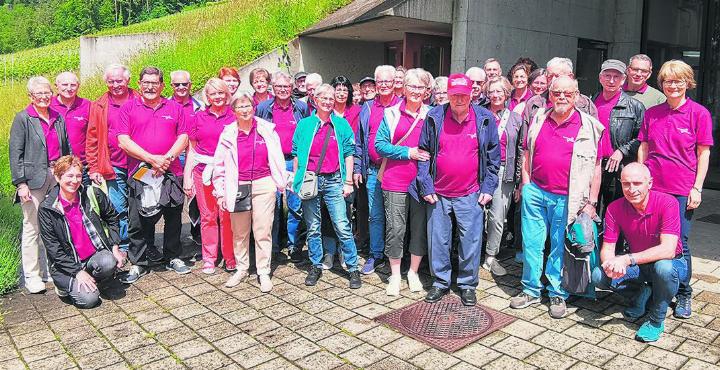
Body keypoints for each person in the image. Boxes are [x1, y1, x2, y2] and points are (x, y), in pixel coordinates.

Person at [510, 76, 604, 318]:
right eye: (557, 93)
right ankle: (530, 289)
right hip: (536, 192)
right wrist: (526, 184)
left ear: (577, 96)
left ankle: (557, 292)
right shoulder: (539, 118)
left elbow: (596, 166)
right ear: (549, 95)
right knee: (531, 244)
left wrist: (591, 202)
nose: (562, 97)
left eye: (567, 93)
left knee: (559, 248)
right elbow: (527, 152)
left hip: (567, 198)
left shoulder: (590, 126)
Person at [638, 60, 713, 319]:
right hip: (654, 189)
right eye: (668, 81)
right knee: (651, 238)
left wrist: (697, 188)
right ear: (662, 84)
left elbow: (703, 154)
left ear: (687, 83)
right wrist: (640, 178)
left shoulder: (699, 114)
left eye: (678, 80)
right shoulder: (653, 113)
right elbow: (644, 147)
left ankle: (683, 292)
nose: (673, 85)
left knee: (680, 242)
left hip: (682, 190)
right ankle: (652, 287)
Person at [417, 73, 500, 306]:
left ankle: (467, 284)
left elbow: (494, 158)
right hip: (439, 193)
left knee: (470, 242)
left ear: (472, 94)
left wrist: (488, 187)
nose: (460, 99)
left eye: (464, 94)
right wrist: (426, 184)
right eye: (455, 95)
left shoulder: (484, 119)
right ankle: (441, 282)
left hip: (471, 192)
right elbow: (423, 154)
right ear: (448, 95)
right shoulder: (434, 117)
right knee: (438, 241)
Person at [592, 163, 687, 342]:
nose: (631, 189)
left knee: (664, 269)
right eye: (626, 184)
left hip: (672, 262)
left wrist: (627, 259)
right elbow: (608, 249)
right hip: (639, 265)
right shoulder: (614, 208)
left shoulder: (668, 203)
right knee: (599, 275)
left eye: (637, 183)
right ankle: (641, 293)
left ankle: (656, 320)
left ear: (649, 183)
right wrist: (610, 265)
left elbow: (668, 249)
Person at [117, 66, 190, 284]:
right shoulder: (128, 108)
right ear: (138, 84)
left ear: (161, 85)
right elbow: (123, 141)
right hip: (140, 172)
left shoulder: (175, 108)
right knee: (138, 220)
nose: (150, 87)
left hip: (170, 171)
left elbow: (184, 136)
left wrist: (165, 159)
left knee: (173, 215)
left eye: (154, 83)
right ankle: (139, 262)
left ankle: (173, 256)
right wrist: (151, 159)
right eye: (145, 83)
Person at [213, 91, 287, 292]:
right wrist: (220, 192)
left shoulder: (266, 129)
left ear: (253, 108)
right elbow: (219, 165)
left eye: (247, 106)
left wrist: (280, 183)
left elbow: (278, 158)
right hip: (238, 186)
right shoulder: (228, 133)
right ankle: (242, 268)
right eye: (240, 107)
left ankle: (263, 271)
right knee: (239, 232)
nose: (244, 110)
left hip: (264, 184)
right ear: (233, 110)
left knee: (263, 230)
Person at [292, 84, 361, 289]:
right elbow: (296, 153)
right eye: (324, 98)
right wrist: (298, 179)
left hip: (333, 180)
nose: (328, 101)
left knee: (342, 225)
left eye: (331, 98)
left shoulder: (341, 125)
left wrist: (348, 181)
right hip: (311, 180)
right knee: (313, 227)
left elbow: (349, 153)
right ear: (315, 99)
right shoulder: (305, 125)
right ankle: (316, 265)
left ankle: (353, 267)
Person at [9, 76, 72, 293]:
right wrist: (21, 184)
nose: (44, 97)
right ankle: (32, 276)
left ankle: (52, 270)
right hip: (33, 180)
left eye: (47, 92)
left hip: (57, 176)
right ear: (31, 96)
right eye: (39, 94)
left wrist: (68, 174)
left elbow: (66, 148)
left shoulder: (58, 117)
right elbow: (15, 154)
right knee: (32, 227)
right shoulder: (23, 118)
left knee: (55, 225)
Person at [39, 156, 126, 308]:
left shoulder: (92, 194)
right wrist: (77, 271)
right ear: (58, 177)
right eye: (69, 176)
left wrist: (115, 247)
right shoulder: (47, 208)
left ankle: (92, 279)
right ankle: (68, 286)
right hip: (67, 265)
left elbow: (112, 218)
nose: (75, 181)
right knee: (89, 301)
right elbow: (54, 249)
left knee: (109, 262)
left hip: (94, 256)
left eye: (78, 175)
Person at [375, 68, 431, 296]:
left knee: (419, 228)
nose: (416, 91)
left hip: (421, 182)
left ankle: (414, 273)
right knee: (396, 229)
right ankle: (396, 274)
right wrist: (409, 152)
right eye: (412, 87)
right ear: (404, 89)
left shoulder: (432, 114)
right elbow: (379, 146)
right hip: (395, 180)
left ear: (427, 91)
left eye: (420, 87)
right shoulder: (391, 114)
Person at [182, 78, 237, 275]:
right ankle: (209, 258)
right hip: (203, 172)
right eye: (213, 93)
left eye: (221, 93)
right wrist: (187, 177)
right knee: (208, 217)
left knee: (227, 216)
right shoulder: (198, 118)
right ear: (207, 96)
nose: (218, 97)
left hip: (228, 173)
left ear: (227, 94)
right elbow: (191, 150)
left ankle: (230, 256)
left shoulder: (235, 116)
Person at [86, 64, 140, 255]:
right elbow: (92, 137)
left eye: (119, 80)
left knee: (142, 205)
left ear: (128, 80)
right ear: (106, 83)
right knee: (118, 207)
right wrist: (93, 167)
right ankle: (124, 245)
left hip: (139, 164)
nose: (115, 84)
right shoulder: (99, 105)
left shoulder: (140, 99)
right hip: (113, 165)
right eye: (111, 81)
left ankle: (142, 244)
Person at [255, 71, 309, 263]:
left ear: (292, 87)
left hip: (294, 160)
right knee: (273, 205)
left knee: (296, 205)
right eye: (279, 87)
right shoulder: (263, 108)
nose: (283, 90)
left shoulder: (301, 108)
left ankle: (295, 246)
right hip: (272, 162)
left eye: (286, 86)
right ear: (273, 88)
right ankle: (274, 247)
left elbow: (307, 134)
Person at [355, 65, 400, 275]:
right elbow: (359, 141)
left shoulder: (401, 105)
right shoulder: (367, 107)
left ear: (394, 83)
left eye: (387, 81)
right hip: (373, 170)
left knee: (396, 216)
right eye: (379, 81)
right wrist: (357, 167)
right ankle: (376, 254)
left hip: (396, 169)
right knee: (375, 215)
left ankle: (397, 256)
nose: (383, 85)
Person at [592, 60, 645, 217]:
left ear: (623, 79)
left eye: (617, 76)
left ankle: (611, 242)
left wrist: (622, 151)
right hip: (592, 166)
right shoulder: (590, 102)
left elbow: (641, 139)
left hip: (617, 168)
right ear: (600, 78)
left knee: (614, 214)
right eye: (607, 76)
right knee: (588, 212)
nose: (611, 80)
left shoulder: (635, 106)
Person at [320, 76, 361, 269]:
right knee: (328, 213)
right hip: (327, 172)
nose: (342, 92)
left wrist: (353, 172)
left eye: (345, 89)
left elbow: (357, 144)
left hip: (348, 171)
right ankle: (329, 251)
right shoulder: (324, 113)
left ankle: (345, 251)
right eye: (338, 88)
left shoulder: (358, 112)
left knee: (346, 212)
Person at [483, 77, 522, 276]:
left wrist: (518, 181)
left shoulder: (516, 119)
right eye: (492, 91)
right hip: (478, 170)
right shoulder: (478, 114)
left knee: (498, 217)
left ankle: (491, 256)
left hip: (504, 171)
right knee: (474, 215)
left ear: (507, 94)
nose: (496, 95)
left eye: (500, 91)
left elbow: (521, 149)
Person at [171, 70, 203, 246]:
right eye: (177, 84)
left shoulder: (200, 106)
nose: (181, 87)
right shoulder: (165, 105)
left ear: (190, 85)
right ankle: (174, 239)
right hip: (173, 159)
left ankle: (196, 232)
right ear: (171, 86)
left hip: (195, 155)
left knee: (196, 199)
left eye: (185, 84)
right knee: (174, 200)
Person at [51, 72, 91, 183]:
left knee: (83, 200)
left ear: (78, 86)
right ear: (56, 86)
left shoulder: (87, 105)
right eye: (64, 85)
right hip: (54, 167)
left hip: (81, 167)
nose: (69, 88)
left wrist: (93, 165)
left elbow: (94, 136)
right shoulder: (48, 106)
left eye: (73, 85)